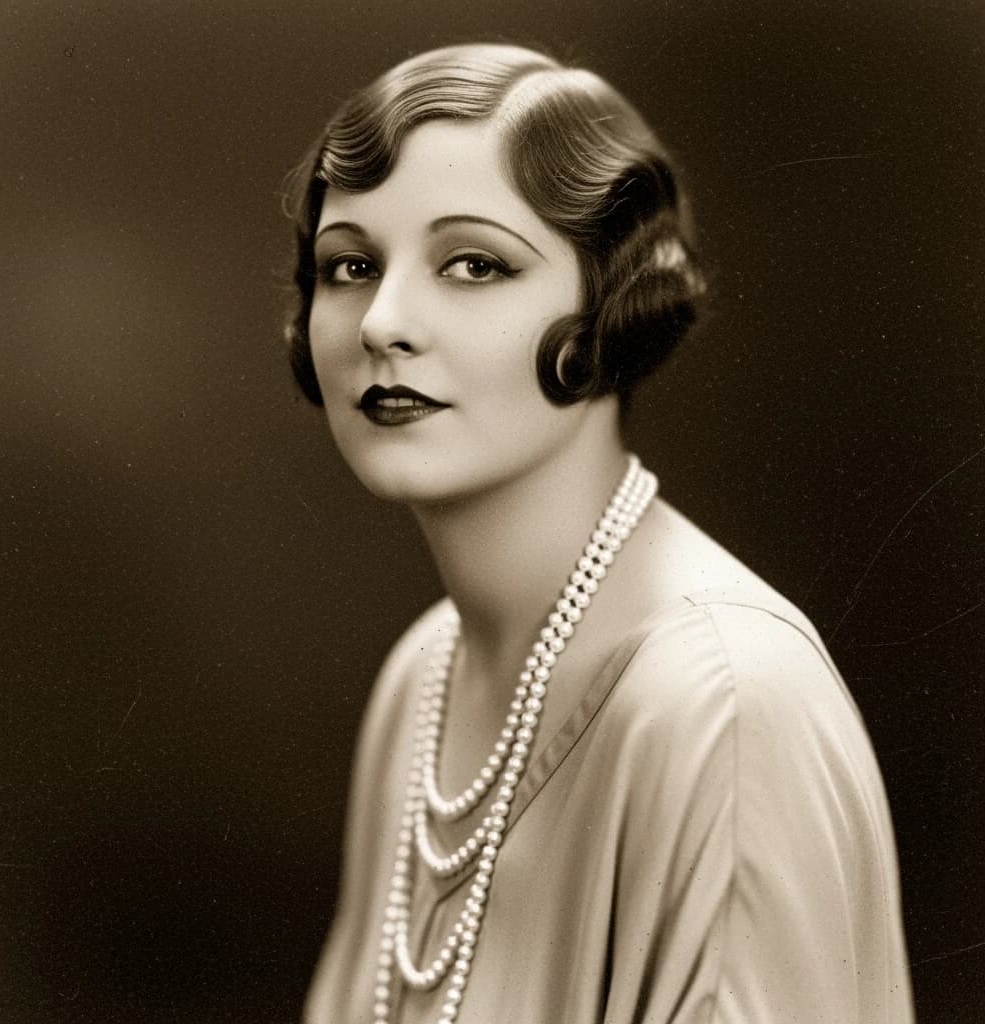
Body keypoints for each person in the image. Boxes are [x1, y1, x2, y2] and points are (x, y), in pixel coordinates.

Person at [284, 43, 914, 1024]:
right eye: (350, 265)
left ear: (614, 300)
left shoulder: (729, 704)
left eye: (474, 263)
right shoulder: (423, 677)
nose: (383, 321)